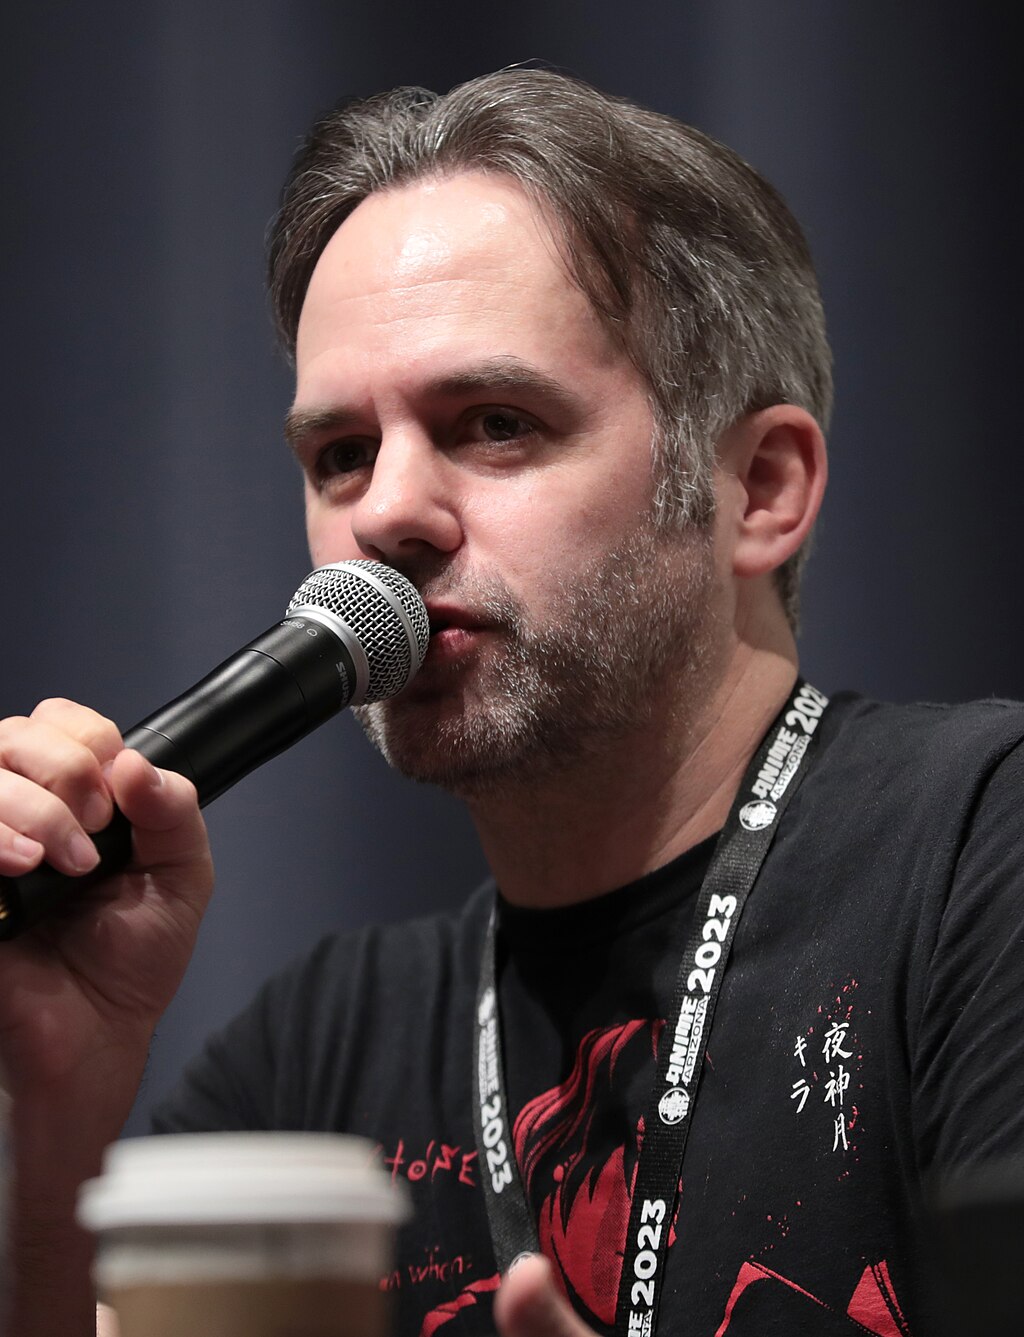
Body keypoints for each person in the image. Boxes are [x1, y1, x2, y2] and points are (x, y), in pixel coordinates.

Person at [1, 68, 1021, 1337]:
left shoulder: (979, 858)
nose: (386, 513)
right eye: (342, 454)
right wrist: (46, 1116)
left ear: (757, 488)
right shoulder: (317, 1047)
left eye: (494, 422)